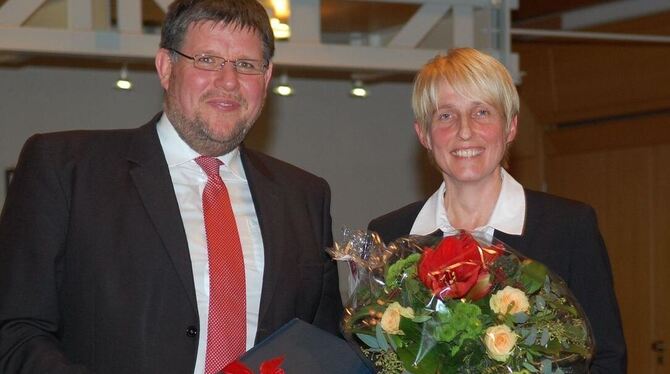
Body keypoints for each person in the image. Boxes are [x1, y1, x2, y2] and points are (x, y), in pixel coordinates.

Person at [0, 1, 342, 373]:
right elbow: (16, 329)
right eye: (207, 59)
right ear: (166, 67)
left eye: (246, 65)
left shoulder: (305, 197)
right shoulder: (67, 169)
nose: (228, 81)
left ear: (268, 76)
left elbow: (319, 347)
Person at [368, 48, 626, 373]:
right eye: (445, 115)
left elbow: (606, 359)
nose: (464, 130)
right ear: (423, 133)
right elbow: (373, 358)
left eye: (482, 113)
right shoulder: (392, 234)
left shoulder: (568, 228)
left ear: (510, 128)